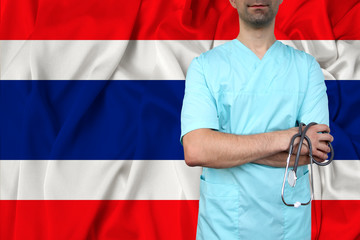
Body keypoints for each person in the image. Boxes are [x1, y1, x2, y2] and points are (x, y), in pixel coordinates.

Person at [180, 0, 334, 239]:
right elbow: (197, 150)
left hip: (288, 228)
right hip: (222, 228)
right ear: (231, 0)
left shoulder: (306, 68)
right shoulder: (204, 67)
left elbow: (316, 149)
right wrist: (287, 137)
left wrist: (225, 149)